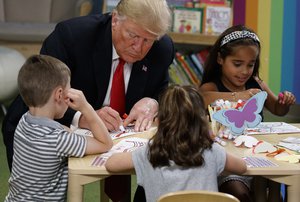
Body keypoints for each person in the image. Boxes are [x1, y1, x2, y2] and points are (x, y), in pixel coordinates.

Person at [2, 0, 174, 201]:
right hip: (51, 123)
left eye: (148, 40)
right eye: (133, 36)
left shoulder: (162, 49)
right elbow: (42, 91)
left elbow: (163, 90)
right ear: (115, 20)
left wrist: (152, 102)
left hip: (117, 135)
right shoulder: (72, 36)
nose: (139, 47)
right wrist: (81, 116)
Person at [199, 25, 296, 202]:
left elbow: (277, 110)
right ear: (220, 59)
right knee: (239, 193)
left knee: (277, 190)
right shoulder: (211, 86)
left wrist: (284, 102)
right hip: (228, 163)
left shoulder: (256, 83)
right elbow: (202, 98)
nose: (244, 71)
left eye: (250, 65)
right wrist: (238, 96)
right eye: (237, 64)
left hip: (259, 157)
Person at [105, 84, 247, 202]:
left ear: (159, 122)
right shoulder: (212, 151)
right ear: (203, 121)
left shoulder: (149, 152)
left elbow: (111, 164)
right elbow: (242, 167)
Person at [5, 55, 113, 201]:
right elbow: (105, 144)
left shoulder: (24, 121)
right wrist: (86, 108)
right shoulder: (58, 140)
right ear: (59, 94)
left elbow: (63, 130)